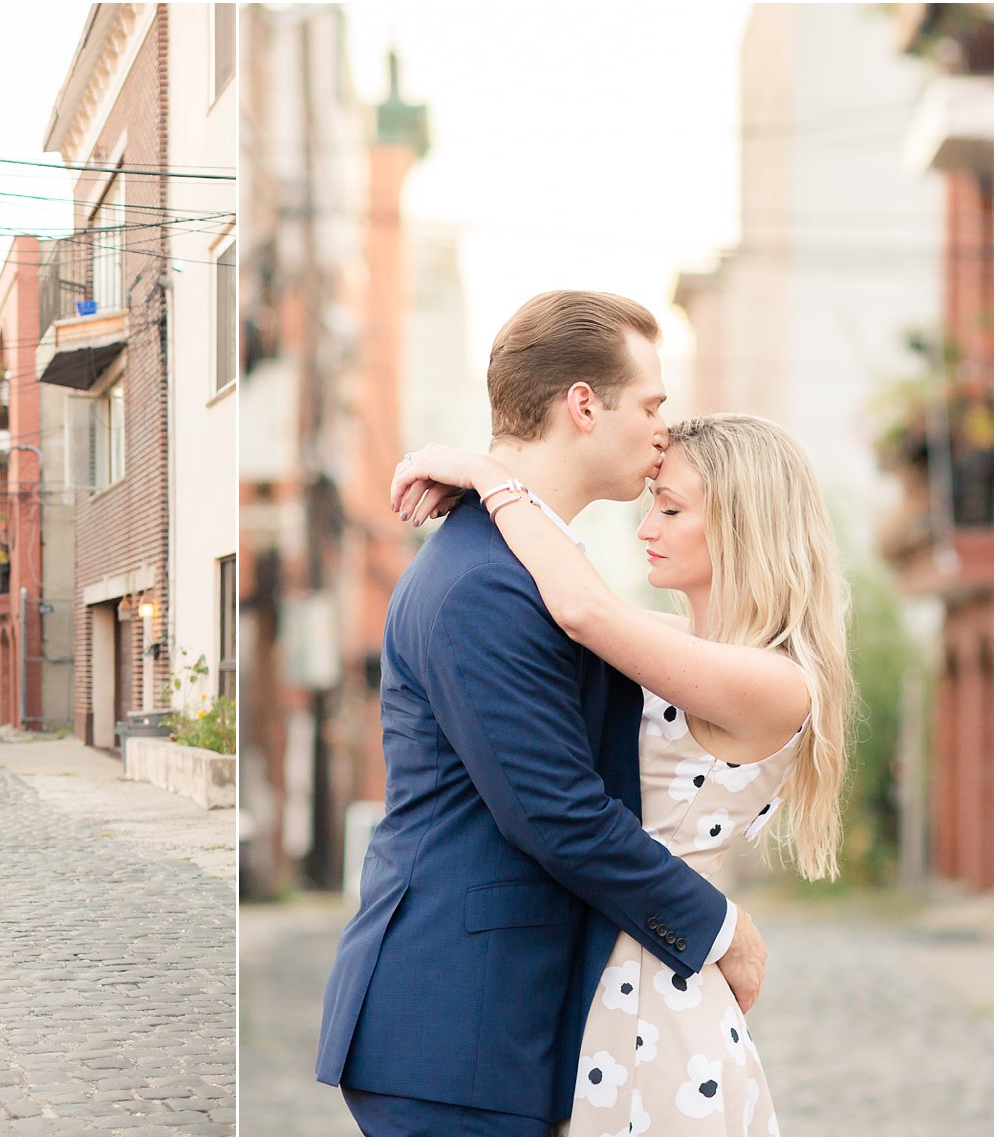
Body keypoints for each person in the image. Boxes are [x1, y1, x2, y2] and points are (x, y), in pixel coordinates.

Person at [315, 291, 769, 1136]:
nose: (663, 429)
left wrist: (491, 480)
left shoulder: (522, 560)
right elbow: (556, 812)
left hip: (499, 1024)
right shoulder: (485, 583)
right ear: (584, 406)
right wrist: (719, 930)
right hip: (453, 1024)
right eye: (651, 405)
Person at [390, 414, 849, 1135]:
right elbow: (563, 601)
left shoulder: (774, 682)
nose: (647, 528)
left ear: (743, 523)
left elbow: (580, 608)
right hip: (613, 974)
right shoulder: (683, 646)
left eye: (670, 509)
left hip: (656, 1002)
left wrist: (488, 476)